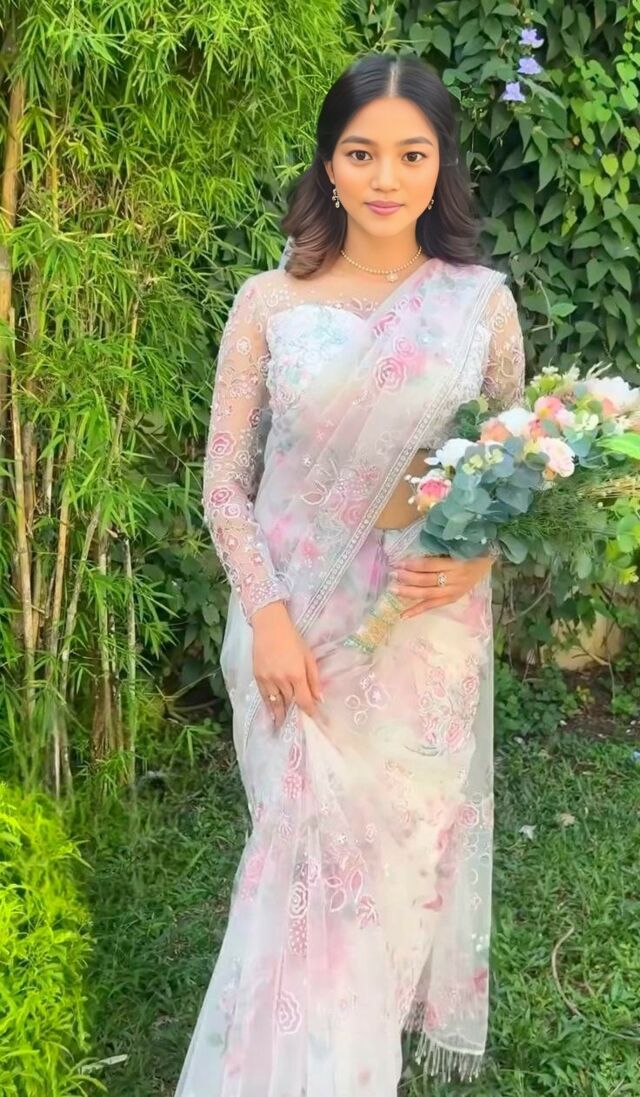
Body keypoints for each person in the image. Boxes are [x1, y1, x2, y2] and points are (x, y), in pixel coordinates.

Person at [175, 51, 525, 1097]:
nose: (385, 177)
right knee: (300, 876)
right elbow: (224, 485)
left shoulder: (479, 305)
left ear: (439, 166)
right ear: (329, 164)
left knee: (393, 884)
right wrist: (269, 618)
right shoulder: (267, 302)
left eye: (411, 155)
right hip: (297, 633)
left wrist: (476, 555)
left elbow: (511, 474)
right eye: (362, 153)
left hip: (422, 635)